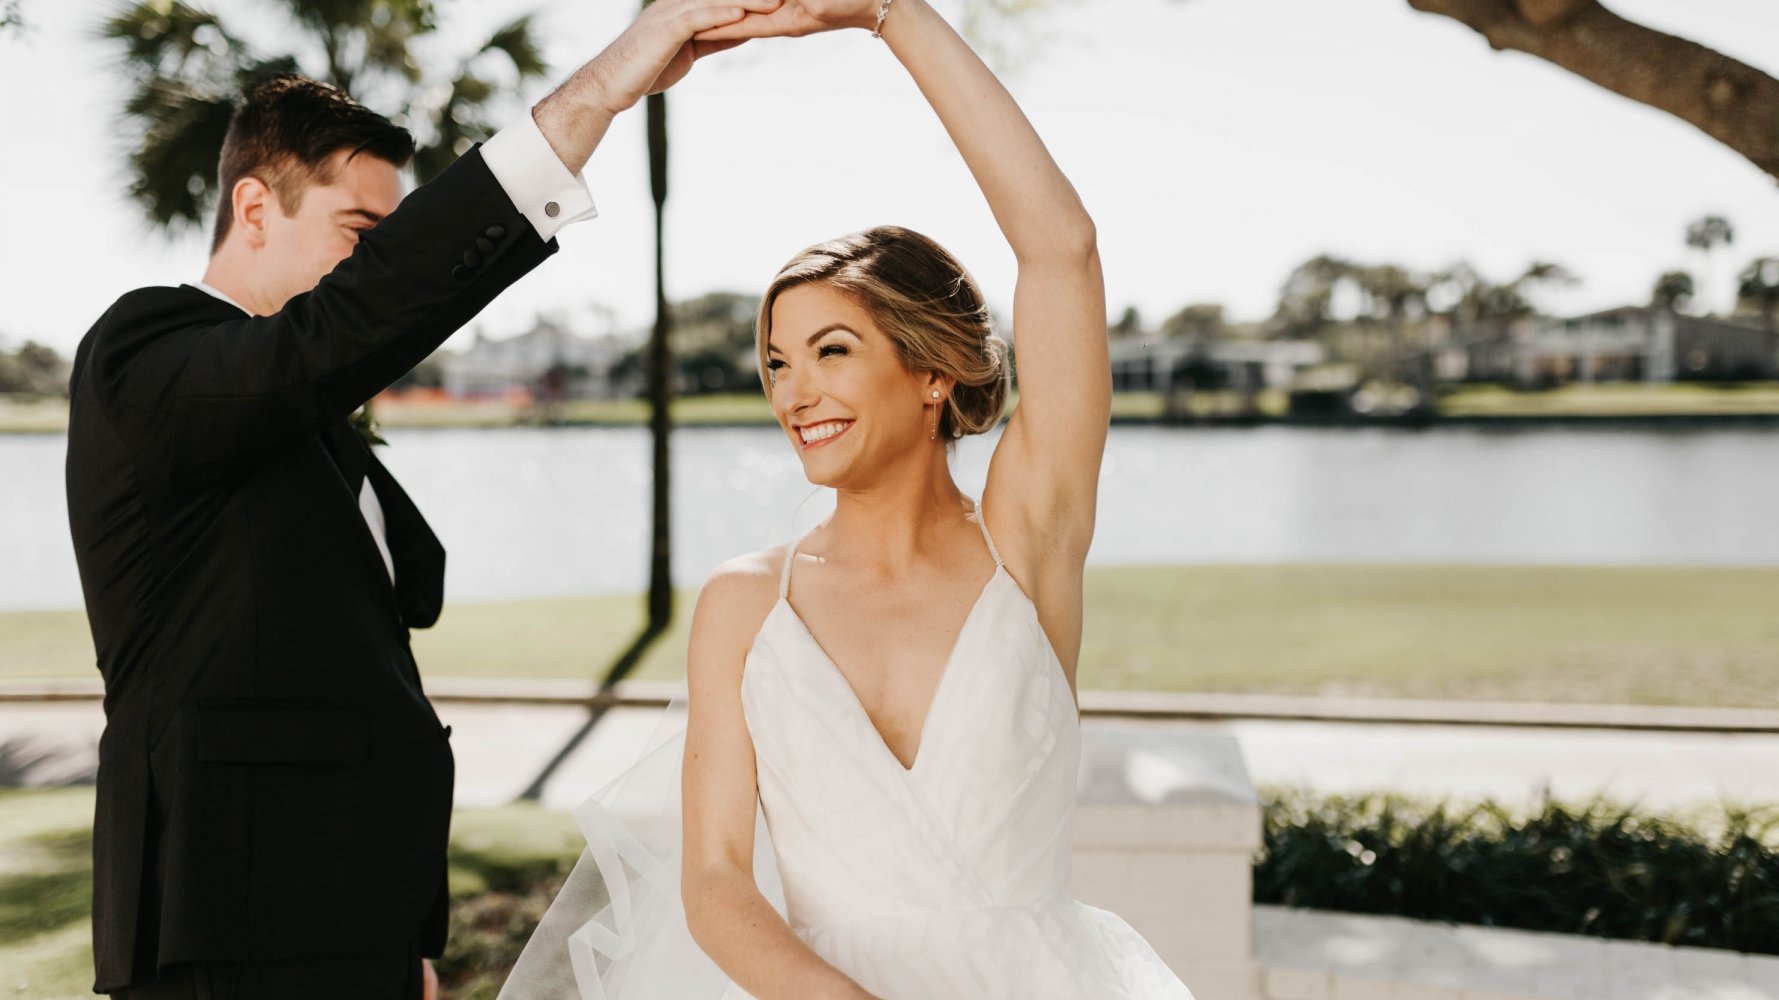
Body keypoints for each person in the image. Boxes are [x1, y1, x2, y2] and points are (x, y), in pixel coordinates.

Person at [62, 2, 778, 996]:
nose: (379, 270)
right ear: (255, 207)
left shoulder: (305, 417)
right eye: (360, 232)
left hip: (353, 927)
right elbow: (346, 329)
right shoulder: (145, 351)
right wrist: (605, 89)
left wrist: (404, 943)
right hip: (227, 928)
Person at [503, 1, 1197, 996]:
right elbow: (712, 882)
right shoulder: (746, 605)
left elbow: (1062, 250)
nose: (795, 391)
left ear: (931, 374)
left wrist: (889, 15)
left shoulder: (1027, 541)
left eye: (833, 352)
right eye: (778, 361)